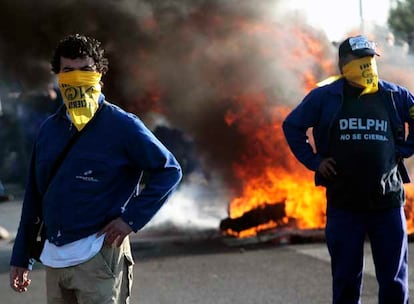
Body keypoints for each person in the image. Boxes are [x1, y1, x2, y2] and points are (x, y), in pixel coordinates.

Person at [9, 34, 182, 303]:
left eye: (85, 71)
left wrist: (130, 220)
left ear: (100, 74)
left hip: (99, 258)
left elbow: (169, 170)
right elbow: (34, 196)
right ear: (58, 76)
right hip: (55, 261)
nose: (76, 78)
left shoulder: (122, 125)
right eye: (68, 71)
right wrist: (21, 256)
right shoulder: (50, 130)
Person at [283, 35, 414, 303]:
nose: (367, 66)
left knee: (393, 280)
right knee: (345, 280)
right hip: (345, 206)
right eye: (360, 60)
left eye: (370, 59)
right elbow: (292, 126)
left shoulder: (393, 95)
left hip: (387, 204)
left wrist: (404, 149)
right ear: (344, 64)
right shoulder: (325, 97)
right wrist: (316, 161)